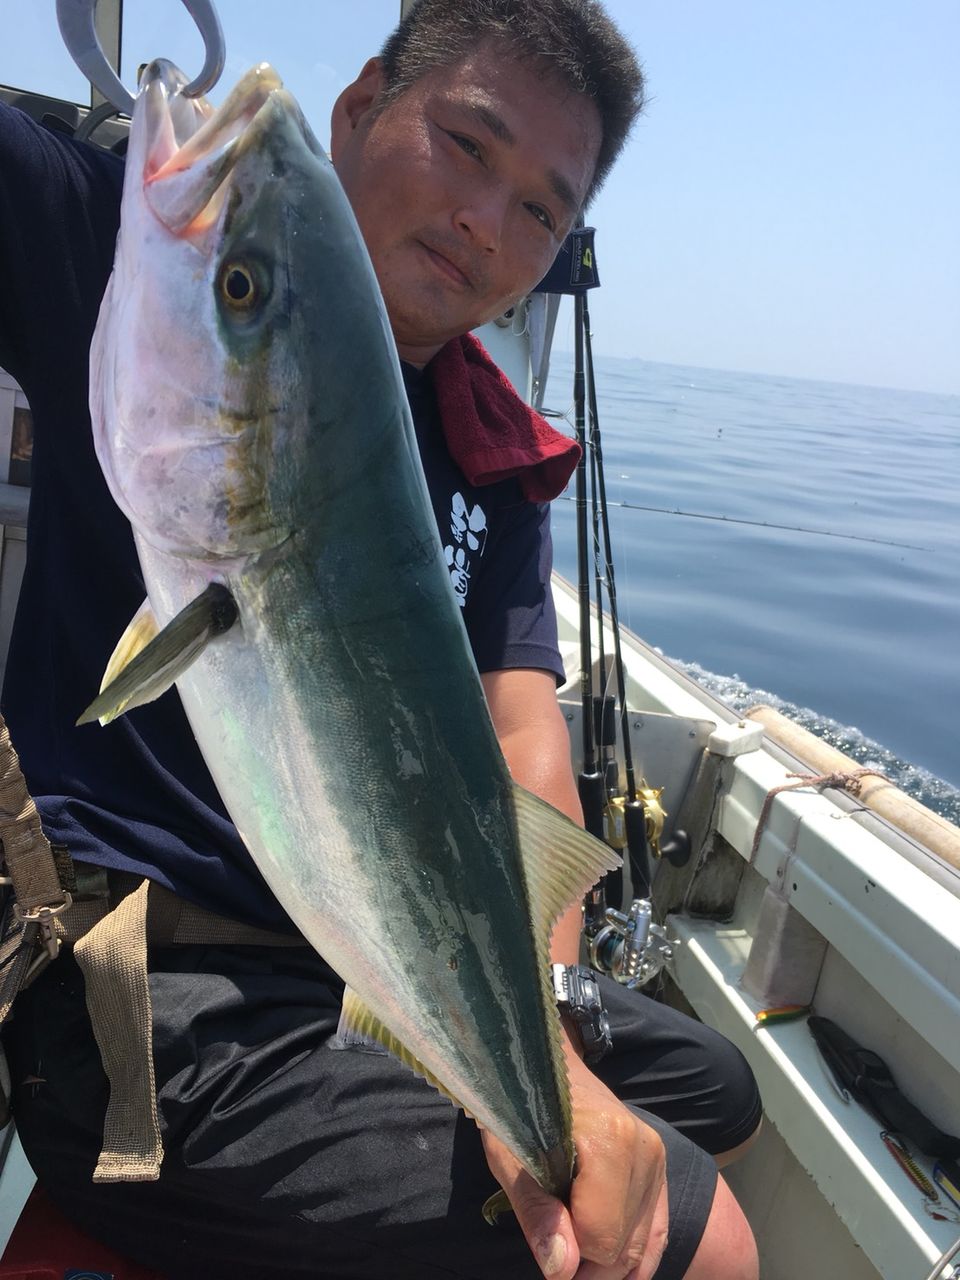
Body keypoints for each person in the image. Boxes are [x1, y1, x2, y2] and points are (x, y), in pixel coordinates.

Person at [0, 2, 761, 1278]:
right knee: (710, 1240)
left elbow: (522, 732)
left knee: (720, 1085)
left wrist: (550, 1041)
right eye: (469, 146)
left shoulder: (492, 441)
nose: (488, 222)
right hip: (143, 996)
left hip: (367, 950)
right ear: (358, 109)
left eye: (541, 211)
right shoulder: (149, 258)